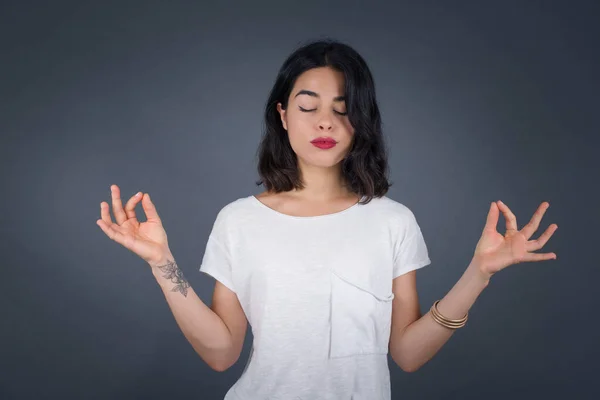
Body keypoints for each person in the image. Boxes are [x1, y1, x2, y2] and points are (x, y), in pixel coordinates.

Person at [96, 39, 558, 400]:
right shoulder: (238, 221)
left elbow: (408, 354)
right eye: (307, 106)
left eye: (342, 110)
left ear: (362, 121)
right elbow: (221, 353)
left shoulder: (392, 222)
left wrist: (479, 274)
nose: (324, 123)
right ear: (282, 114)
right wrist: (162, 263)